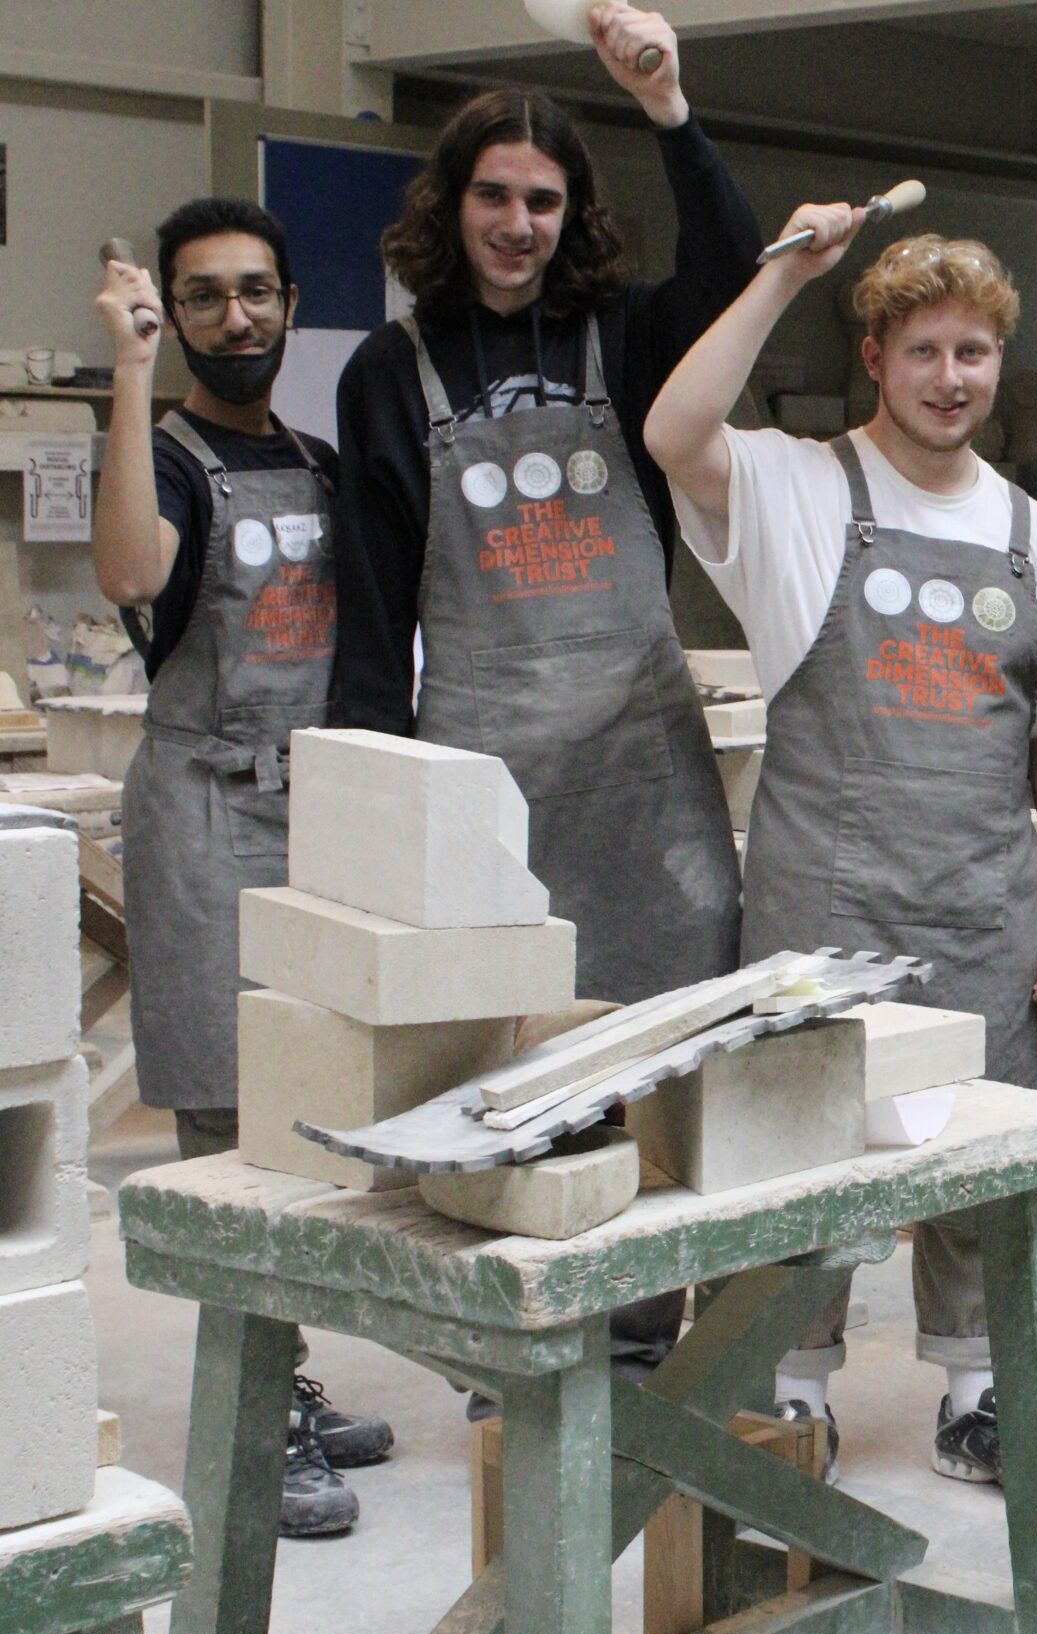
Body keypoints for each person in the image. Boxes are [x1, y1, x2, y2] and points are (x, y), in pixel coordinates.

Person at [333, 3, 753, 1387]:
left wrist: (671, 108)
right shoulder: (389, 375)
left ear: (572, 214)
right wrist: (366, 794)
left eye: (544, 200)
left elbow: (737, 265)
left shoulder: (626, 335)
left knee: (671, 1031)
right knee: (504, 1049)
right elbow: (377, 596)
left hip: (640, 758)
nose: (517, 223)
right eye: (495, 196)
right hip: (486, 766)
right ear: (450, 206)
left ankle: (646, 1317)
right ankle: (514, 1328)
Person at [649, 217, 1037, 1479]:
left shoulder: (1034, 534)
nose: (950, 378)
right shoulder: (800, 490)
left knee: (978, 1153)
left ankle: (975, 1389)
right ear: (874, 358)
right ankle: (785, 1387)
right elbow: (674, 433)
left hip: (982, 904)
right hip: (823, 903)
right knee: (795, 1157)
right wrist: (778, 274)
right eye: (923, 351)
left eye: (973, 352)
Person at [91, 197, 391, 1539]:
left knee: (304, 1118)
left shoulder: (323, 464)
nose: (235, 315)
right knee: (226, 1129)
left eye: (255, 290)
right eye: (204, 294)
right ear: (173, 306)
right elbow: (128, 568)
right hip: (209, 815)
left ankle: (283, 1370)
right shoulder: (161, 459)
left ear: (287, 301)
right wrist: (130, 370)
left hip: (315, 812)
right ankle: (251, 1421)